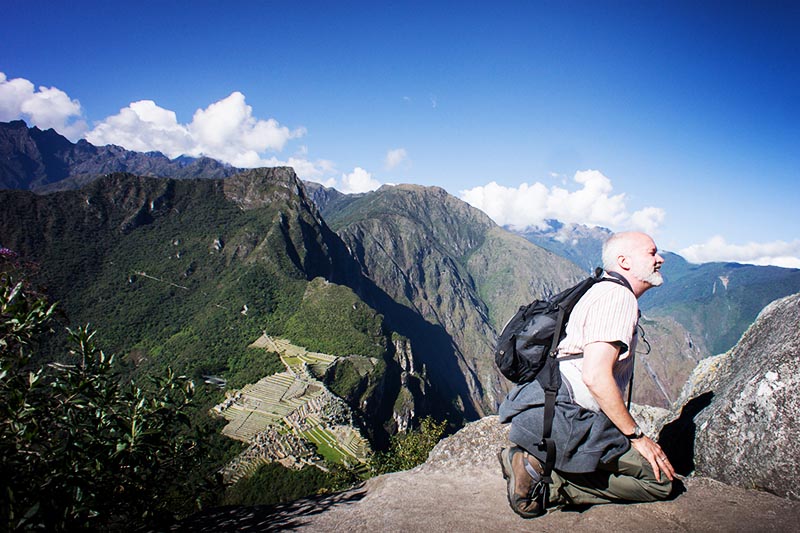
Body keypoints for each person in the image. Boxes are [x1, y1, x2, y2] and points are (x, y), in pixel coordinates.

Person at [498, 231, 675, 518]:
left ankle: (533, 463)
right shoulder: (618, 298)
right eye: (652, 252)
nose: (660, 259)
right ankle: (549, 483)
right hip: (567, 418)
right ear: (624, 261)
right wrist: (637, 436)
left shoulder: (598, 288)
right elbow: (595, 376)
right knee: (660, 482)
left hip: (541, 407)